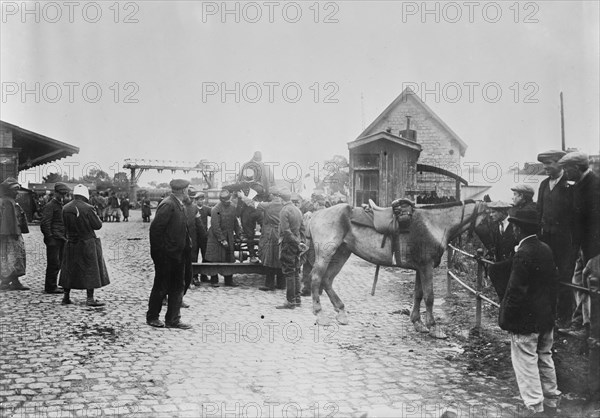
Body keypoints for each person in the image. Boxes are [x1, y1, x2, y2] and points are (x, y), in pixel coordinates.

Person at [488, 208, 561, 416]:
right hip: (545, 318)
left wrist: (506, 318)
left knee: (526, 363)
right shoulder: (545, 249)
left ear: (518, 229)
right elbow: (554, 284)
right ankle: (551, 403)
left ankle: (535, 408)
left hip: (526, 321)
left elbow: (515, 290)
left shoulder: (523, 253)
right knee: (545, 358)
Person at [558, 152, 600, 338]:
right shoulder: (580, 185)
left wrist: (595, 254)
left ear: (576, 167)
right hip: (583, 247)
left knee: (590, 285)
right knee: (579, 283)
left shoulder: (594, 186)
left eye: (567, 168)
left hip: (593, 249)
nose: (565, 172)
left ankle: (589, 329)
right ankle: (581, 323)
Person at [536, 150, 576, 327]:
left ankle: (564, 316)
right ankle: (548, 312)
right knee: (546, 274)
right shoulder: (544, 184)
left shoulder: (570, 184)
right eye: (544, 164)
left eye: (549, 163)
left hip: (565, 241)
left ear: (560, 164)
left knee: (565, 276)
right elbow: (539, 212)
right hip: (546, 238)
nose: (545, 167)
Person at [146, 179, 193, 329]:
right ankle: (152, 317)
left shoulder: (179, 205)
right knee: (161, 287)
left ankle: (173, 319)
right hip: (166, 256)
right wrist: (159, 256)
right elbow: (155, 231)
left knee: (178, 286)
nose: (188, 192)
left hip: (179, 255)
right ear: (183, 191)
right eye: (188, 190)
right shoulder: (168, 204)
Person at [59, 185, 109, 306]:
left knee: (68, 269)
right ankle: (90, 299)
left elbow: (63, 225)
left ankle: (66, 297)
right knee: (90, 269)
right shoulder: (88, 208)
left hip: (71, 242)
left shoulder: (65, 208)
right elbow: (97, 225)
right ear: (85, 195)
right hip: (87, 242)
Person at [275, 188, 306, 309]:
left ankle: (290, 301)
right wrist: (301, 242)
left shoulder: (284, 211)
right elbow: (302, 228)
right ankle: (297, 299)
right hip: (297, 245)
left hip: (288, 245)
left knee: (289, 273)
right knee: (296, 272)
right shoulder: (298, 210)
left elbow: (286, 231)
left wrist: (296, 242)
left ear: (281, 199)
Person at [205, 189, 240, 287]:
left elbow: (235, 222)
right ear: (221, 199)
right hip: (216, 238)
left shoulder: (233, 207)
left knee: (229, 258)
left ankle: (229, 280)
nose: (228, 201)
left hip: (229, 235)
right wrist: (222, 239)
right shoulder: (216, 209)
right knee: (215, 258)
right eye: (225, 199)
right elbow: (215, 226)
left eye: (228, 199)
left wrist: (238, 233)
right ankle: (214, 280)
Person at [0, 178, 30, 291]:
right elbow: (9, 221)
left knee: (9, 258)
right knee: (12, 257)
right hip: (11, 235)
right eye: (15, 190)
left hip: (9, 234)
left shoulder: (7, 201)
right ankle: (7, 281)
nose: (17, 192)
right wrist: (15, 233)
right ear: (9, 191)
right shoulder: (8, 202)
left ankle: (11, 281)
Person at [41, 183, 71, 294]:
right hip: (54, 239)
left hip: (61, 238)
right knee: (53, 263)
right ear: (56, 193)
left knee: (59, 263)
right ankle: (50, 287)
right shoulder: (50, 206)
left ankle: (53, 285)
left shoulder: (60, 205)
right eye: (62, 194)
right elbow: (45, 223)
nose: (63, 196)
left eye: (65, 194)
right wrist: (49, 238)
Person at [257, 187, 285, 291]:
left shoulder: (269, 205)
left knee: (269, 258)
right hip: (281, 234)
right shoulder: (283, 204)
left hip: (271, 234)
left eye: (270, 195)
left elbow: (253, 204)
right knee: (280, 258)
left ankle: (269, 284)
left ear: (272, 195)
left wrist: (243, 197)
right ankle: (282, 284)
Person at [184, 192, 207, 289]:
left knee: (192, 258)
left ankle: (193, 278)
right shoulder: (179, 206)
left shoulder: (194, 208)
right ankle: (187, 279)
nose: (190, 199)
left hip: (192, 238)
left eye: (191, 197)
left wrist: (204, 236)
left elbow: (199, 224)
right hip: (181, 238)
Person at [236, 189, 262, 264]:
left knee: (265, 231)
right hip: (247, 213)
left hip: (256, 209)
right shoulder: (241, 187)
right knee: (250, 234)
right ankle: (252, 255)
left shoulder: (257, 186)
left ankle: (262, 253)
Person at [194, 191, 211, 283]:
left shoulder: (206, 209)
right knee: (194, 255)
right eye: (199, 200)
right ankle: (195, 276)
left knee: (205, 255)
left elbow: (216, 213)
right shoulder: (193, 209)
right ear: (196, 201)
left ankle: (204, 275)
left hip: (204, 236)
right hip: (195, 236)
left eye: (202, 199)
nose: (201, 201)